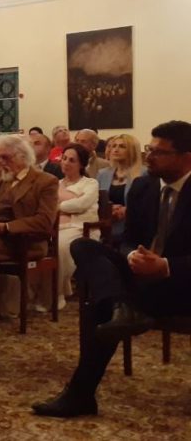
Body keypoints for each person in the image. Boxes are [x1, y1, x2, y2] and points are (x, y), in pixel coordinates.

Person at [33, 121, 191, 418]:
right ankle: (120, 306)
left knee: (99, 309)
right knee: (83, 246)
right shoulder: (144, 187)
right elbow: (128, 238)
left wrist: (165, 265)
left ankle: (80, 394)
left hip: (181, 283)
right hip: (141, 273)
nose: (149, 156)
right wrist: (132, 255)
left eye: (159, 152)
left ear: (186, 157)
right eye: (149, 149)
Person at [0, 134, 60, 317]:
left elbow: (44, 221)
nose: (0, 162)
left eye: (5, 157)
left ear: (23, 157)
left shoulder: (45, 181)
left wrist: (6, 227)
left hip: (23, 241)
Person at [30, 144, 99, 312]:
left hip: (82, 228)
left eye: (72, 160)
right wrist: (66, 202)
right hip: (56, 228)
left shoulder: (90, 183)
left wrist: (59, 206)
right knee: (39, 246)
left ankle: (56, 295)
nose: (66, 163)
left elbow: (82, 204)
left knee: (60, 247)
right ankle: (35, 294)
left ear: (81, 164)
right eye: (64, 158)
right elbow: (45, 206)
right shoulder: (55, 183)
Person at [96, 133, 144, 240]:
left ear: (132, 150)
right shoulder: (102, 174)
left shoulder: (143, 174)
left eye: (122, 146)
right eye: (114, 146)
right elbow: (95, 201)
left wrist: (127, 210)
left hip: (133, 228)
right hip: (107, 227)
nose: (116, 149)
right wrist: (108, 209)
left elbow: (148, 205)